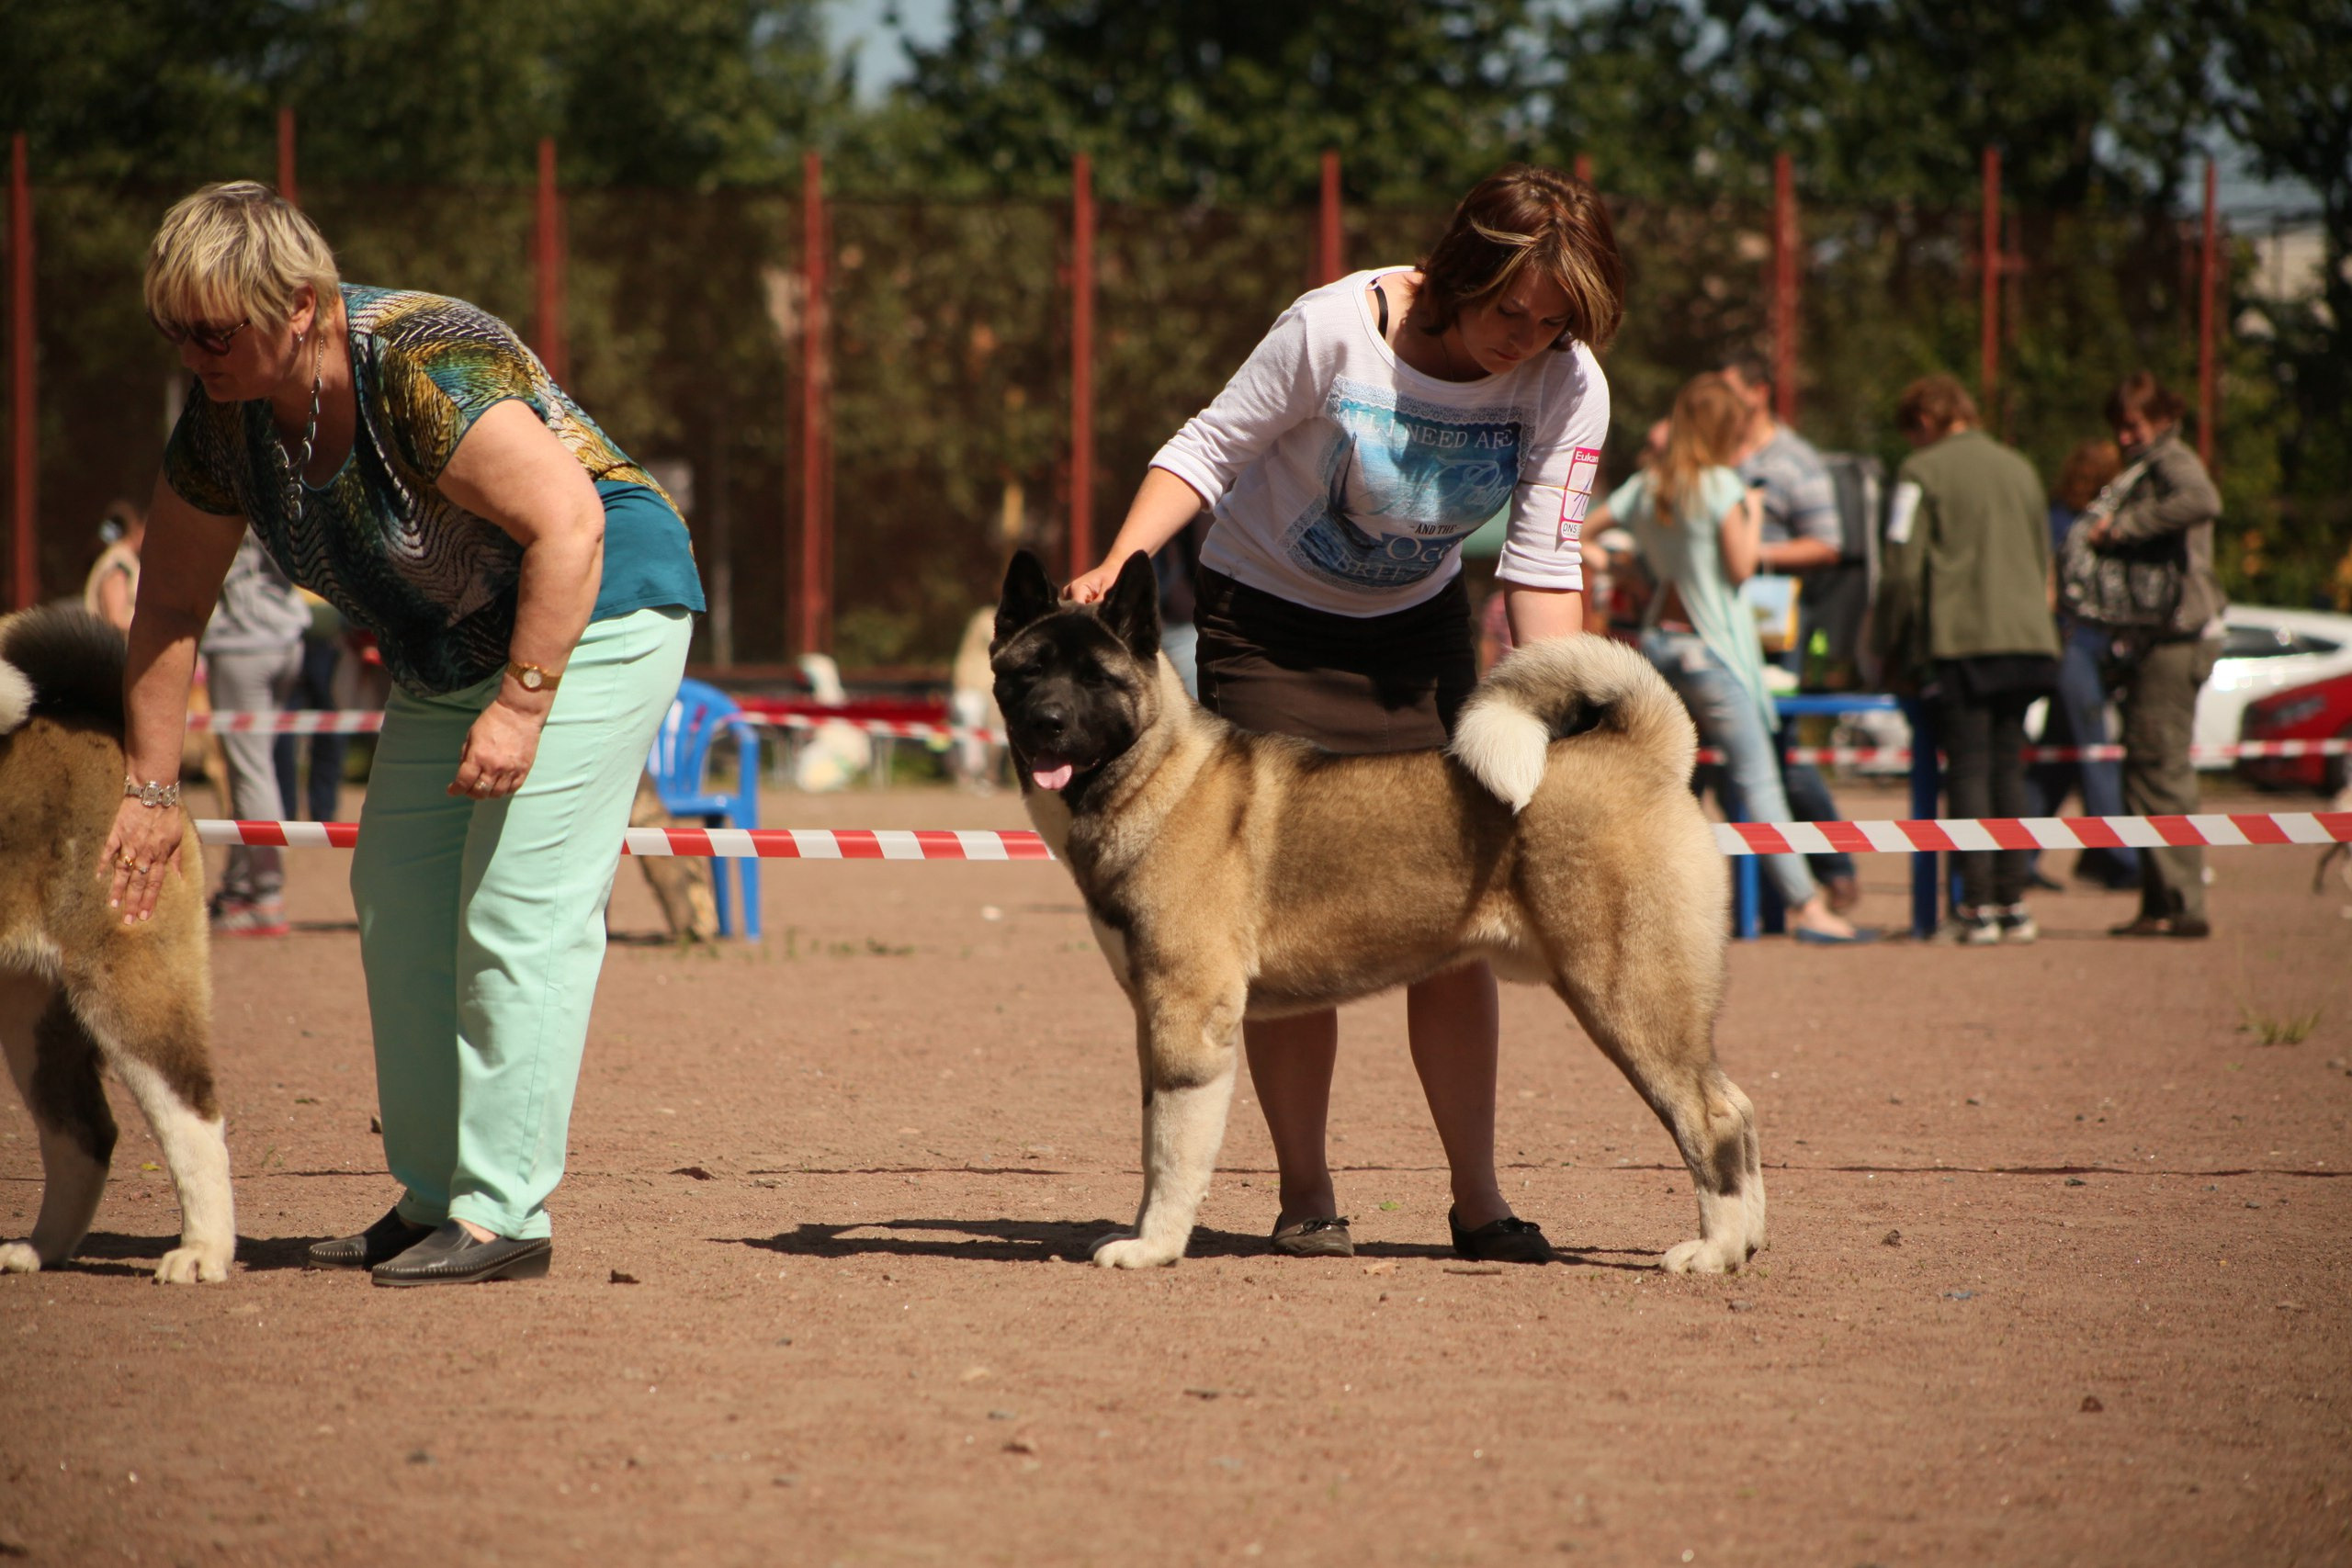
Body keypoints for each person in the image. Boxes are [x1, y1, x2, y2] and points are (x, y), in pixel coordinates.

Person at [107, 181, 705, 1285]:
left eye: (214, 331)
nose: (193, 355)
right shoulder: (225, 422)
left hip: (595, 607)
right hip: (446, 647)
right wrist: (149, 792)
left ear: (299, 305)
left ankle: (502, 1212)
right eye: (173, 331)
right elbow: (170, 604)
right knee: (397, 897)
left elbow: (571, 524)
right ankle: (434, 1195)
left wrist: (522, 707)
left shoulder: (423, 364)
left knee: (517, 904)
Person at [1065, 164, 1614, 1263]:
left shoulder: (1567, 382)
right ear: (1460, 269)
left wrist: (1561, 716)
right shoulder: (1331, 329)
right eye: (1511, 310)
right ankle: (1306, 1195)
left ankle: (1478, 1199)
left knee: (1460, 916)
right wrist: (1119, 563)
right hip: (1267, 625)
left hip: (1416, 638)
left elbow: (1543, 564)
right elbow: (1207, 449)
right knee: (1276, 915)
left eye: (1553, 323)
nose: (1526, 340)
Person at [1603, 373, 1870, 944]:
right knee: (1759, 780)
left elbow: (1581, 529)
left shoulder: (1649, 484)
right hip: (1713, 649)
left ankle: (1647, 910)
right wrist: (1751, 508)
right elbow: (1741, 567)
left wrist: (1616, 567)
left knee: (1666, 785)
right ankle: (1808, 908)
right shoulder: (1723, 485)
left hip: (1659, 643)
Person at [1873, 376, 2060, 942]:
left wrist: (1886, 644)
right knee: (2009, 767)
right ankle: (2012, 902)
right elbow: (2044, 560)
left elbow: (1902, 571)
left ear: (1923, 422)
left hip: (1964, 641)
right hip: (2028, 640)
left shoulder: (1920, 471)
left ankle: (1975, 907)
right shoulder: (2021, 467)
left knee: (1971, 769)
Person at [1716, 352, 1860, 909]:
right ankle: (1764, 899)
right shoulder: (1714, 453)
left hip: (1773, 628)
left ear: (1759, 393)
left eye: (1730, 391)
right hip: (1715, 625)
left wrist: (1753, 557)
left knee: (1777, 756)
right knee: (1729, 760)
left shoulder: (1796, 461)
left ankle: (1834, 866)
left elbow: (1828, 544)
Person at [2084, 372, 2225, 938]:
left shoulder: (2172, 460)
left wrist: (2124, 528)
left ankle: (2184, 906)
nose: (2123, 438)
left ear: (2163, 419)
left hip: (2178, 638)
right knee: (2144, 772)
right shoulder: (2148, 464)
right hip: (2157, 639)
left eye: (2133, 426)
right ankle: (2160, 904)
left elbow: (2203, 499)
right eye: (2118, 427)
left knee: (2162, 769)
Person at [2024, 438, 2140, 891]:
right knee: (2096, 753)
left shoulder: (2062, 516)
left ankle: (2016, 856)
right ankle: (2119, 858)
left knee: (2056, 762)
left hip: (2077, 646)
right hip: (2073, 646)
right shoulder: (2074, 522)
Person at [201, 528, 310, 936]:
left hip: (243, 641)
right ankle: (239, 888)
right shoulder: (286, 493)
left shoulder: (233, 490)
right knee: (253, 770)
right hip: (285, 635)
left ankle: (266, 898)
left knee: (250, 773)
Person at [84, 500, 147, 631]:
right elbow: (116, 619)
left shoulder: (121, 561)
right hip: (114, 643)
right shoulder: (120, 564)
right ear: (139, 529)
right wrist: (155, 626)